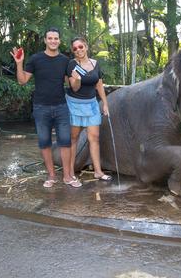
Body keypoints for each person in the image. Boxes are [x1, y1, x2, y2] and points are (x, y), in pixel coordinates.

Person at [11, 27, 82, 188]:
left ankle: (67, 176)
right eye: (50, 38)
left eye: (56, 38)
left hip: (61, 107)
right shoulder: (36, 59)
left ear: (59, 41)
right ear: (45, 40)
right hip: (41, 107)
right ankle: (51, 176)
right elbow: (22, 81)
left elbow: (74, 87)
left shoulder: (65, 61)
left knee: (65, 142)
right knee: (44, 142)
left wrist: (77, 79)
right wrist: (19, 63)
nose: (53, 41)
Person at [67, 37, 112, 181]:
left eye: (80, 47)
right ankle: (70, 172)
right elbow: (74, 87)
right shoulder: (71, 65)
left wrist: (105, 103)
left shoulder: (95, 64)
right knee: (73, 138)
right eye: (75, 49)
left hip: (91, 104)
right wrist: (78, 79)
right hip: (75, 104)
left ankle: (98, 171)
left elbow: (99, 85)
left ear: (86, 47)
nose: (78, 50)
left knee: (94, 138)